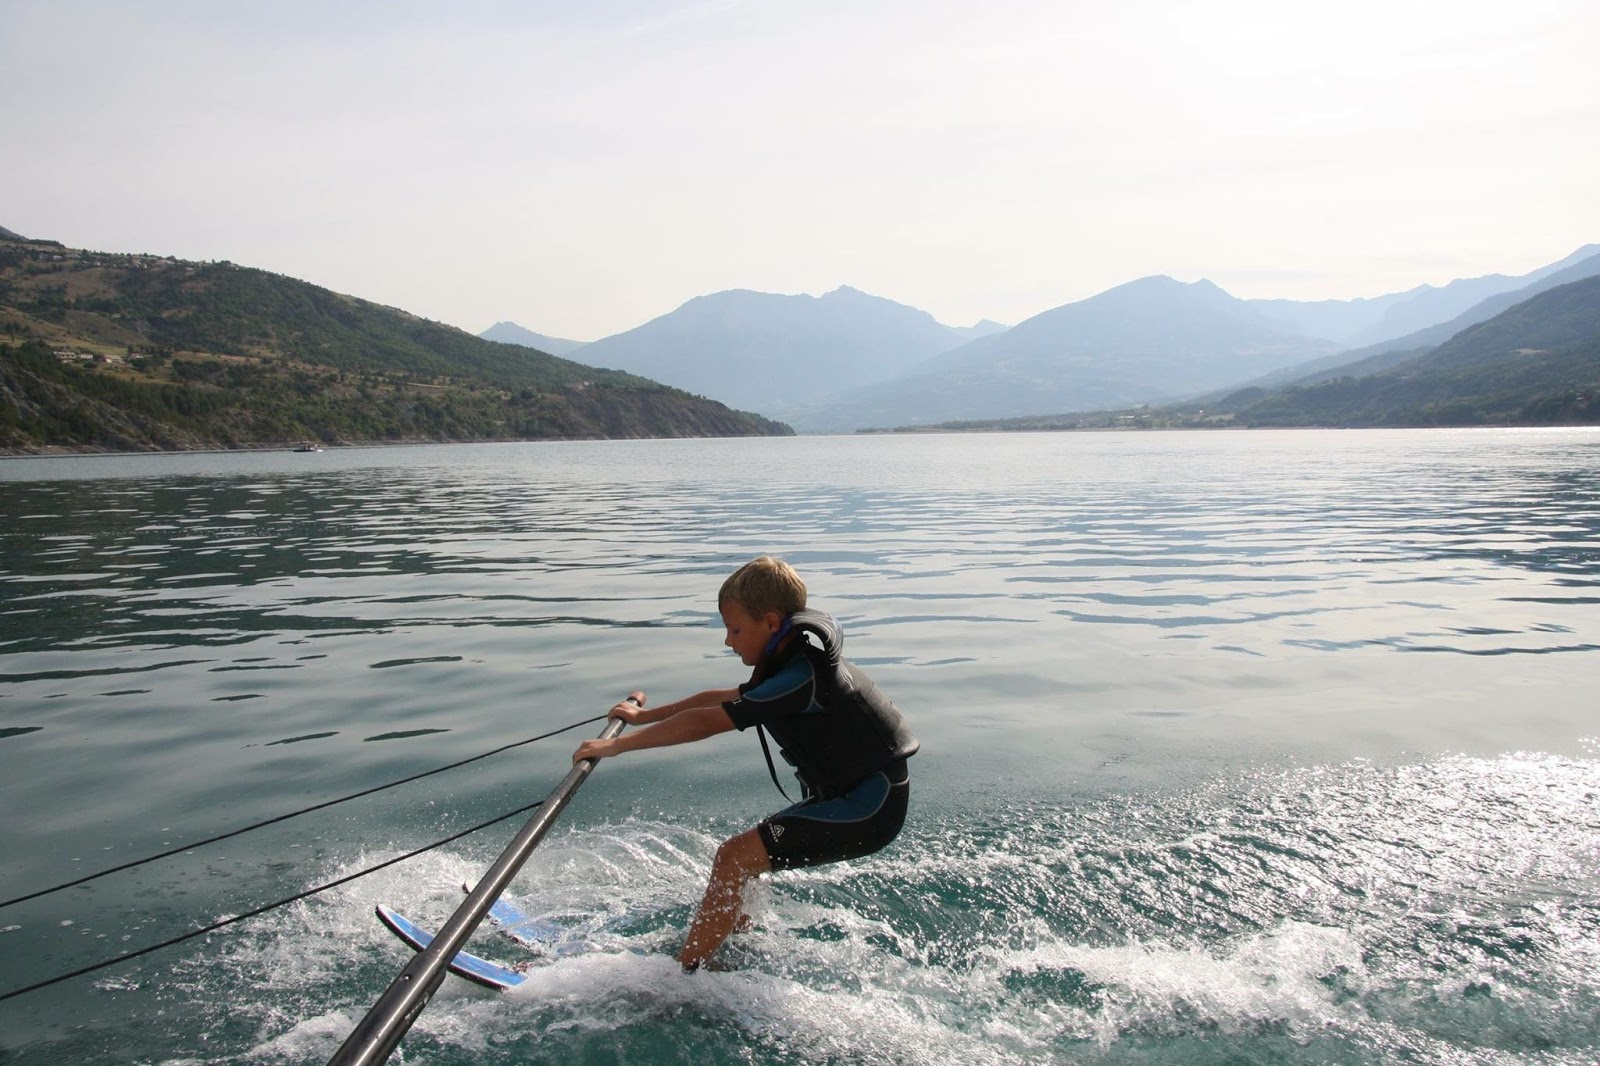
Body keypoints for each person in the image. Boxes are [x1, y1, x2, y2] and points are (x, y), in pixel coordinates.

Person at [573, 555, 918, 971]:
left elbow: (706, 722)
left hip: (869, 807)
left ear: (771, 623)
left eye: (734, 630)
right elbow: (717, 698)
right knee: (741, 861)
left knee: (734, 857)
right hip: (856, 796)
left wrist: (614, 749)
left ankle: (683, 977)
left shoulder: (799, 678)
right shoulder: (792, 662)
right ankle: (730, 953)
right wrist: (645, 716)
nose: (728, 641)